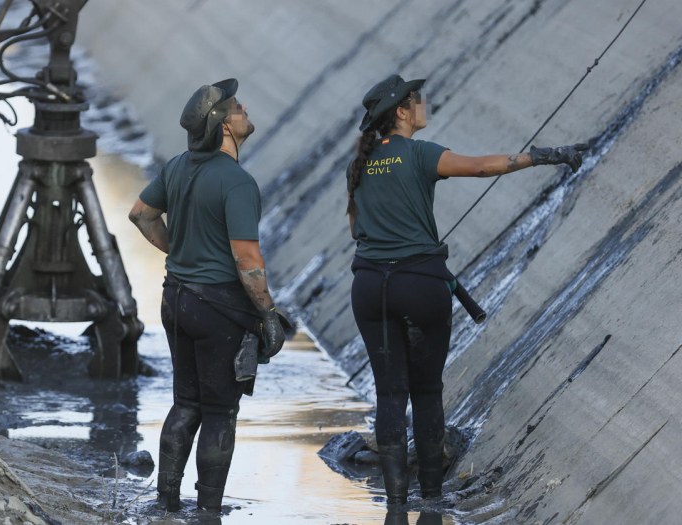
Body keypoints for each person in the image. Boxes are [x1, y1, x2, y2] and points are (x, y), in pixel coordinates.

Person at [347, 74, 586, 506]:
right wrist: (546, 155)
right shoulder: (419, 154)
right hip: (420, 286)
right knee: (426, 391)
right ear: (401, 112)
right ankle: (432, 500)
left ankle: (397, 504)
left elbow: (355, 228)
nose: (424, 102)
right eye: (416, 99)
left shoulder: (360, 164)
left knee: (389, 394)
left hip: (368, 288)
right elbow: (481, 166)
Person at [128, 78, 289, 513]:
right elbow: (247, 258)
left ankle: (165, 502)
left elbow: (141, 215)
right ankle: (209, 511)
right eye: (237, 108)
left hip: (176, 300)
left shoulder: (178, 166)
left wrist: (177, 249)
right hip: (218, 310)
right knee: (220, 412)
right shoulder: (237, 183)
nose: (244, 109)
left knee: (186, 403)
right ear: (223, 126)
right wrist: (269, 313)